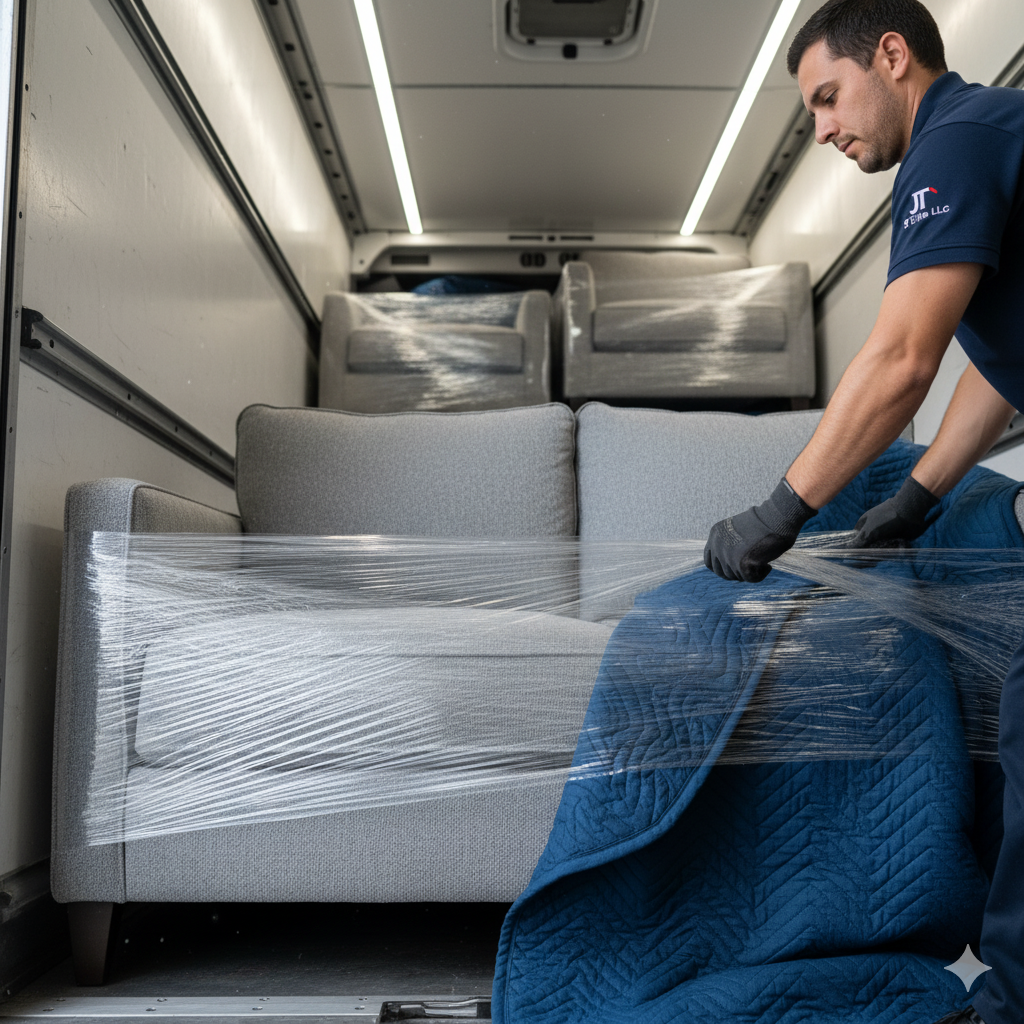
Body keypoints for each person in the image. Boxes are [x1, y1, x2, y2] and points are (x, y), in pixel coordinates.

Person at [702, 2, 1024, 1022]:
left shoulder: (953, 144)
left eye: (827, 97)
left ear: (893, 56)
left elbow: (899, 359)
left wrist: (777, 513)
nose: (824, 128)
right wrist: (917, 496)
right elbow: (999, 371)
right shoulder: (992, 134)